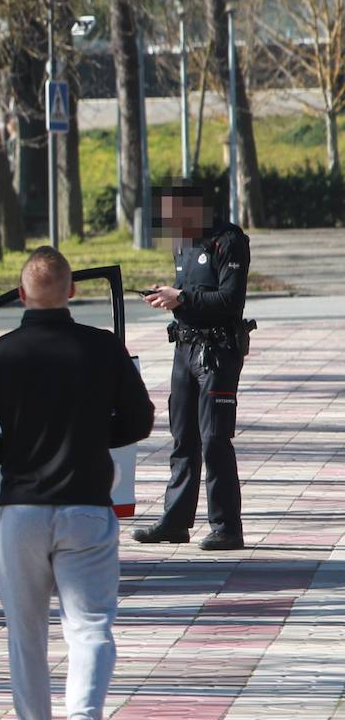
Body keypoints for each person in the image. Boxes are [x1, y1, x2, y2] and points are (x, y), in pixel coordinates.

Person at [0, 247, 154, 720]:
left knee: (26, 636)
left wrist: (14, 451)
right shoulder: (103, 348)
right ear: (72, 292)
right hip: (88, 507)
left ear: (21, 296)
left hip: (21, 509)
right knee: (90, 627)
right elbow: (139, 419)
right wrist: (91, 440)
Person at [133, 181, 252, 551]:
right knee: (183, 437)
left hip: (218, 352)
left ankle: (226, 526)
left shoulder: (228, 241)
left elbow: (230, 300)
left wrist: (181, 297)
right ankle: (175, 521)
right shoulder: (181, 243)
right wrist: (168, 296)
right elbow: (189, 296)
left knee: (215, 438)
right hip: (184, 351)